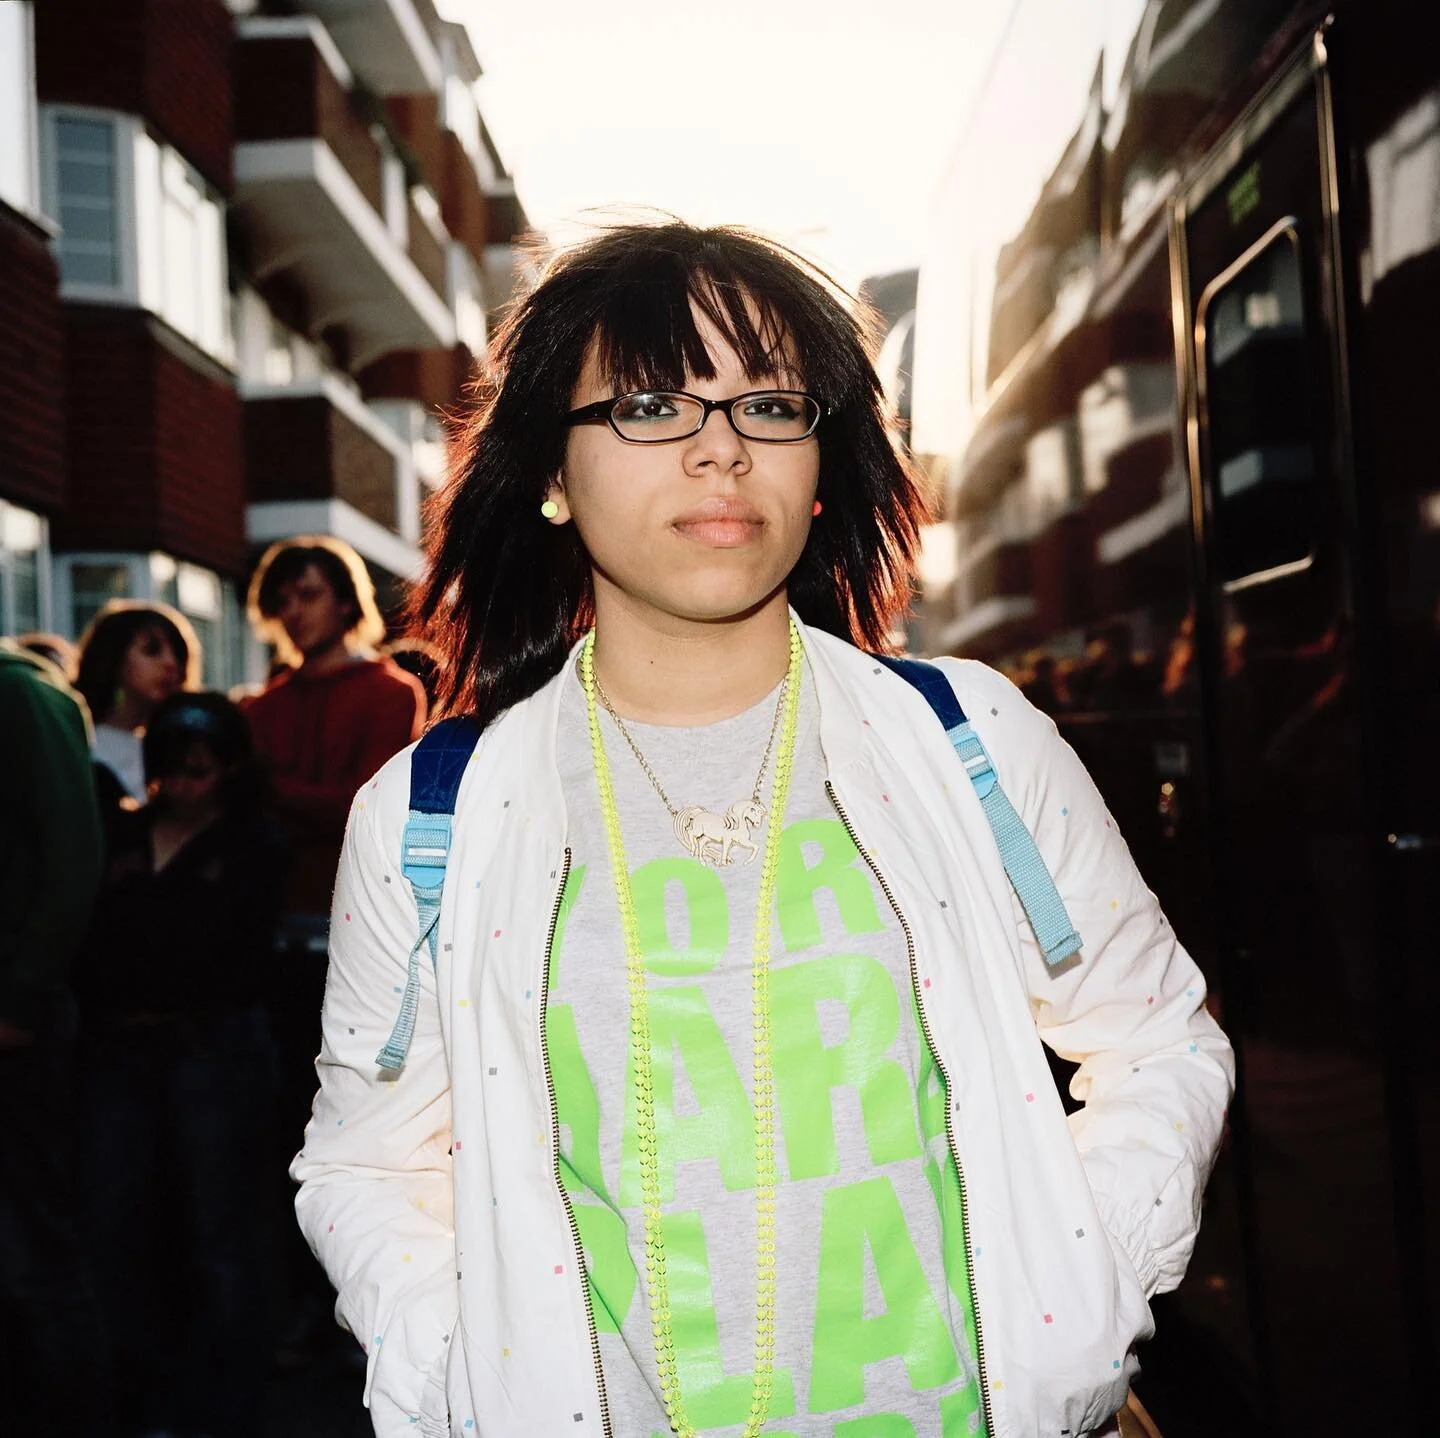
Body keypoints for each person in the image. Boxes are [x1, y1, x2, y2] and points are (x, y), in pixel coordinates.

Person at [292, 223, 1234, 1438]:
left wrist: (1083, 1292)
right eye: (648, 405)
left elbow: (1160, 1040)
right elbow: (369, 1166)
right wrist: (466, 1381)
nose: (721, 449)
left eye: (771, 405)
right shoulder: (433, 815)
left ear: (821, 463)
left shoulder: (970, 738)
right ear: (552, 476)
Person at [72, 691, 284, 1438]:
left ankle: (226, 1412)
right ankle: (142, 1403)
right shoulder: (119, 837)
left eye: (203, 765)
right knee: (119, 1230)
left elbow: (227, 954)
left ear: (228, 768)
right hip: (121, 1052)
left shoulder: (253, 844)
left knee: (219, 1238)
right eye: (175, 764)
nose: (188, 779)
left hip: (211, 1053)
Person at [241, 534, 426, 1358]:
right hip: (270, 945)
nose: (295, 608)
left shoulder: (388, 693)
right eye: (283, 595)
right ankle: (294, 1316)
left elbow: (365, 807)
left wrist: (266, 794)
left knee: (364, 1130)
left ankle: (359, 1316)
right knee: (278, 1137)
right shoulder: (259, 707)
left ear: (344, 600)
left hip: (355, 947)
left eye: (309, 591)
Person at [0, 640, 112, 1435]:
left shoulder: (21, 701)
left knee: (32, 1244)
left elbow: (74, 859)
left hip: (15, 1023)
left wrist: (21, 995)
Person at [74, 600, 197, 824]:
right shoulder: (77, 741)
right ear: (114, 655)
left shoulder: (182, 750)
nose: (170, 664)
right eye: (151, 650)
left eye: (177, 654)